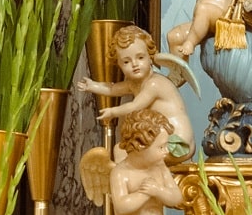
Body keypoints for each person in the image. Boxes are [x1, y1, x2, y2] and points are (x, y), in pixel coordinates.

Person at [81, 22, 194, 153]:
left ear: (150, 57)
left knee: (129, 152)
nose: (134, 64)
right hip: (161, 136)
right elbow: (112, 89)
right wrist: (92, 85)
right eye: (126, 61)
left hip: (177, 141)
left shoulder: (154, 83)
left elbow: (135, 106)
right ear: (119, 64)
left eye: (140, 57)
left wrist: (113, 112)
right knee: (121, 150)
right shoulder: (135, 84)